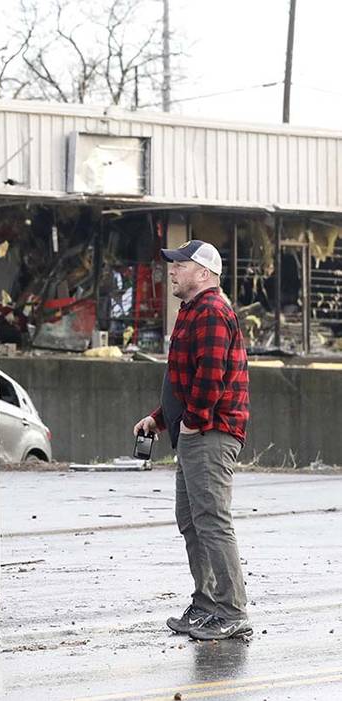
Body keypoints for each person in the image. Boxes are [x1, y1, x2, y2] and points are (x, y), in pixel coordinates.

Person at [132, 239, 251, 641]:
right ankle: (206, 605)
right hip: (195, 432)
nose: (173, 271)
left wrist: (194, 422)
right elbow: (183, 379)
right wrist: (159, 419)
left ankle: (232, 610)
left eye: (180, 265)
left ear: (203, 273)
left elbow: (210, 376)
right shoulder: (192, 311)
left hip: (211, 434)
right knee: (192, 521)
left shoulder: (213, 312)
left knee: (212, 521)